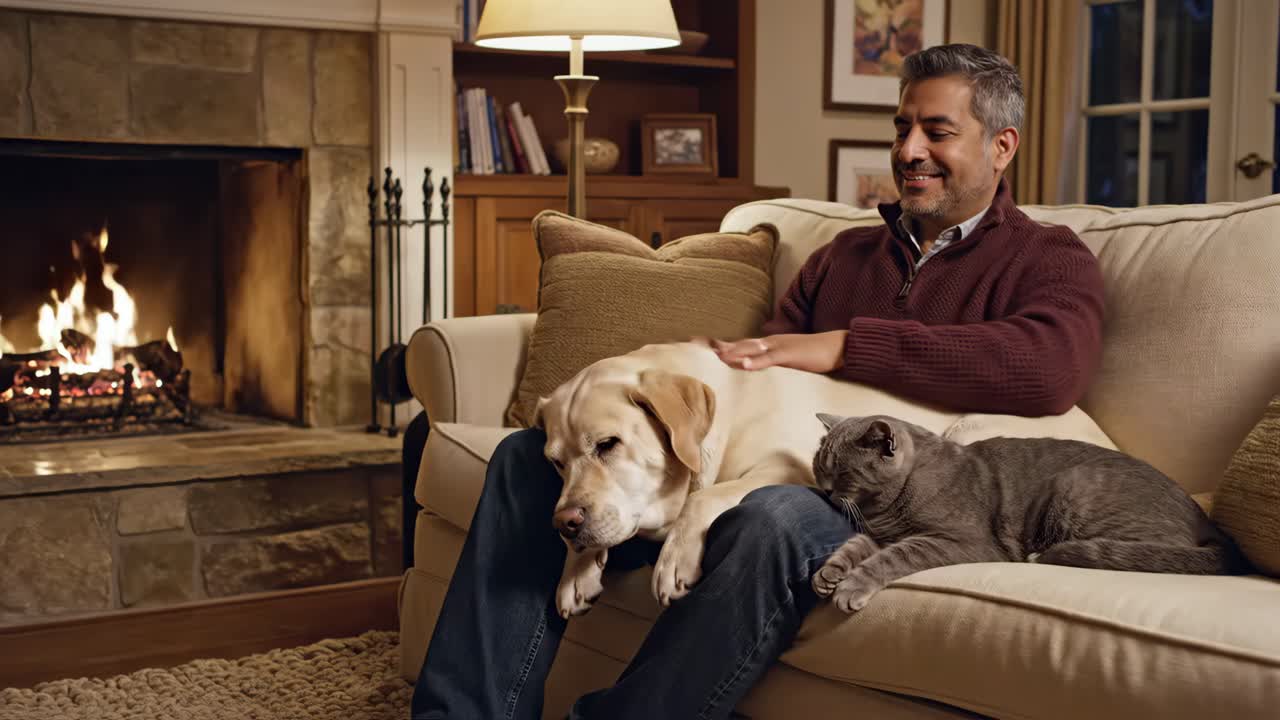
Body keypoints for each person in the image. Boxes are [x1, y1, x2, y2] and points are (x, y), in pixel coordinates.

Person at [411, 43, 1105, 720]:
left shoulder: (1047, 256)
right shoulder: (845, 256)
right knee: (520, 461)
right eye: (902, 128)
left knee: (771, 517)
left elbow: (1049, 369)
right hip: (790, 461)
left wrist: (846, 346)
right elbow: (766, 371)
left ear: (1002, 147)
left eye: (937, 132)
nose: (909, 149)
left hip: (880, 499)